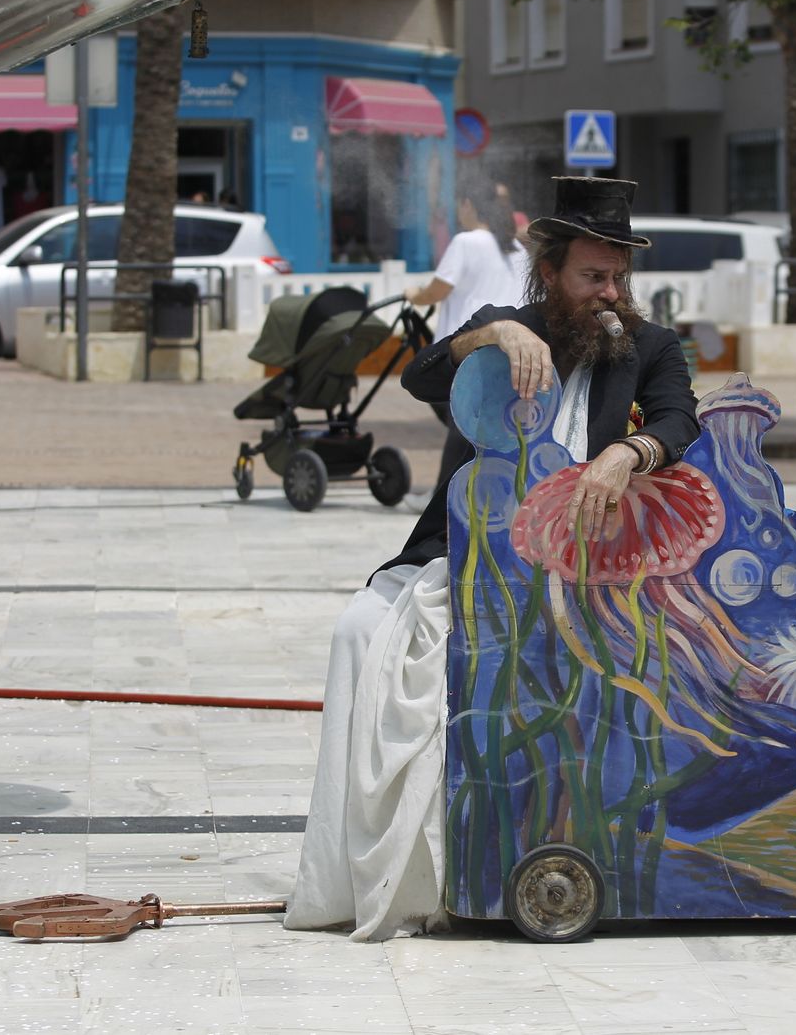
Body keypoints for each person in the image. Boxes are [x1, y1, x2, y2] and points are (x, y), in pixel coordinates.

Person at [284, 176, 701, 942]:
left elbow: (681, 417)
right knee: (357, 633)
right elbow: (420, 374)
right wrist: (495, 337)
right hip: (469, 552)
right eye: (592, 277)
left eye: (618, 277)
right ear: (550, 272)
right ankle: (363, 870)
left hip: (586, 569)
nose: (610, 293)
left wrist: (628, 451)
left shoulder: (648, 345)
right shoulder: (504, 324)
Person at [404, 173, 530, 485]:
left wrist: (413, 295)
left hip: (465, 352)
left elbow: (436, 291)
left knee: (460, 428)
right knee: (474, 430)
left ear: (468, 204)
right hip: (507, 352)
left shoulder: (466, 241)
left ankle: (443, 501)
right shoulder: (516, 248)